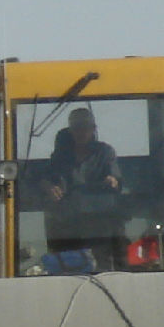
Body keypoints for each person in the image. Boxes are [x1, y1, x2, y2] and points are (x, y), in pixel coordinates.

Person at [39, 107, 123, 270]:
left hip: (100, 224)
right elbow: (43, 179)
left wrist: (112, 181)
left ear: (93, 129)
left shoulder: (105, 152)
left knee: (104, 266)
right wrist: (49, 187)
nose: (81, 132)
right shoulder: (60, 156)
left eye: (85, 127)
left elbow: (116, 180)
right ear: (70, 130)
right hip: (67, 226)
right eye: (77, 128)